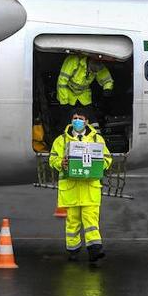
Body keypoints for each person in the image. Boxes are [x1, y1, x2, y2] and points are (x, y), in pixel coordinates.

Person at [48, 107, 112, 264]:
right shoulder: (61, 140)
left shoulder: (97, 139)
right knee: (73, 221)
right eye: (75, 118)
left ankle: (95, 250)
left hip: (90, 188)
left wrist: (99, 165)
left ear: (87, 122)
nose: (77, 121)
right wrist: (60, 163)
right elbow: (52, 159)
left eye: (81, 118)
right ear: (71, 121)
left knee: (91, 221)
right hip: (71, 189)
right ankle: (73, 250)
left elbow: (107, 158)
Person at [56, 52, 114, 127]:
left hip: (84, 96)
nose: (94, 72)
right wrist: (64, 102)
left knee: (92, 119)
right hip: (67, 95)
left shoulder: (99, 66)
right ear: (90, 60)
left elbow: (107, 79)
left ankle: (96, 134)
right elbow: (62, 82)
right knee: (68, 120)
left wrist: (107, 89)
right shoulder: (73, 61)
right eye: (93, 70)